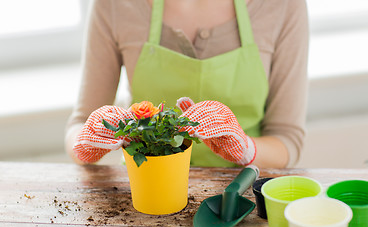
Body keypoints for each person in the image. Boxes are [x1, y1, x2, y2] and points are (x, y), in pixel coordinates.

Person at [65, 0, 309, 168]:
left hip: (240, 195)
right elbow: (79, 124)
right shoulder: (115, 5)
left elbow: (287, 139)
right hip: (147, 190)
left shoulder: (282, 6)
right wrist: (88, 141)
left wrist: (245, 148)